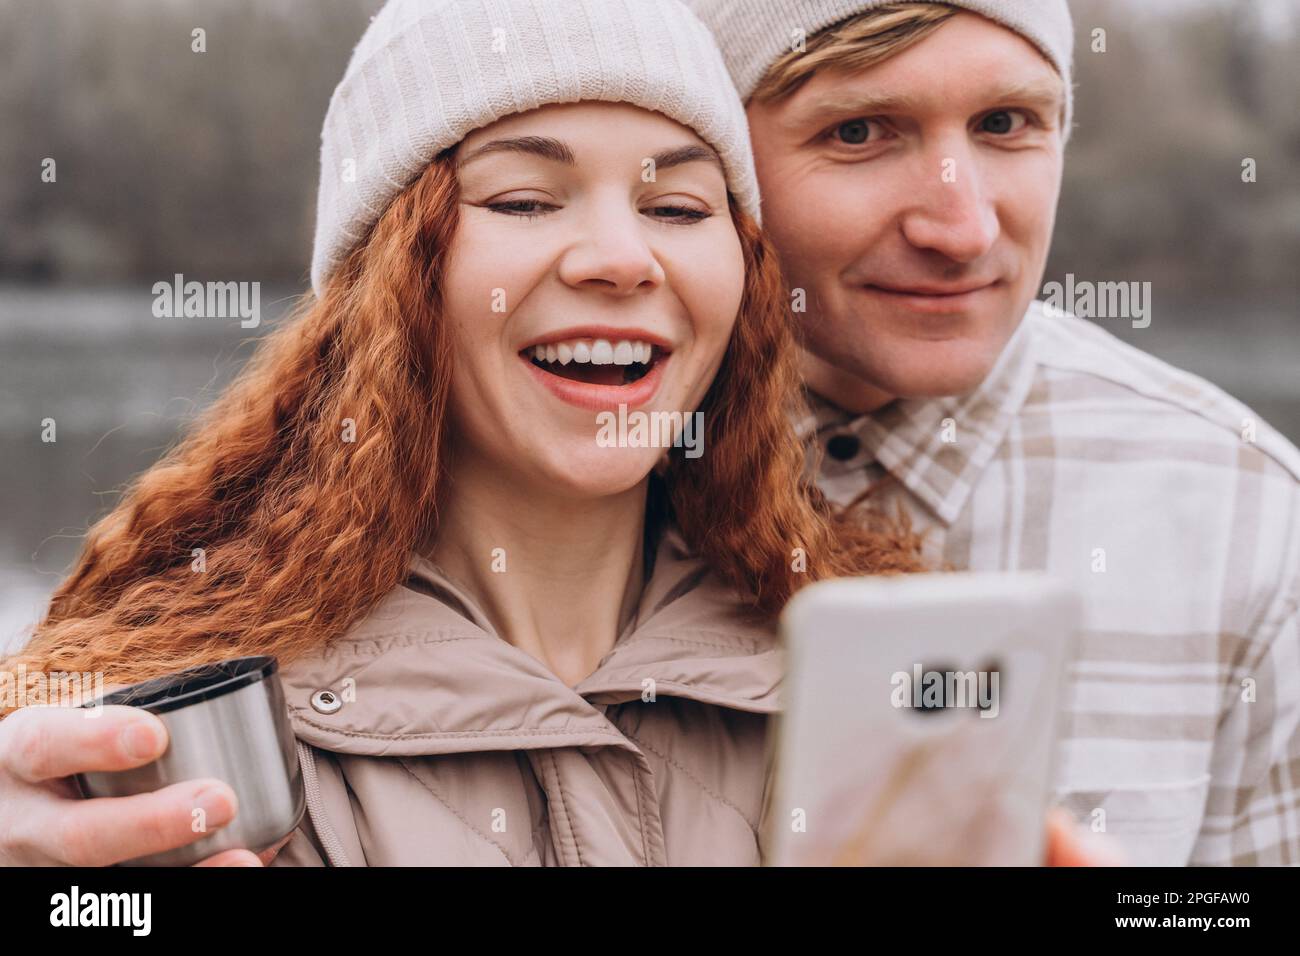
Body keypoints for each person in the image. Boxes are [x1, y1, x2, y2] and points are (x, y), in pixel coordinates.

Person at [0, 0, 937, 867]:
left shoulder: (869, 683)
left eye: (679, 209)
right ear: (389, 286)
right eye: (525, 200)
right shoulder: (182, 744)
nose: (621, 257)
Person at [685, 0, 1300, 865]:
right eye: (860, 132)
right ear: (716, 159)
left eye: (1005, 124)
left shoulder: (1252, 515)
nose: (962, 229)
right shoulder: (576, 466)